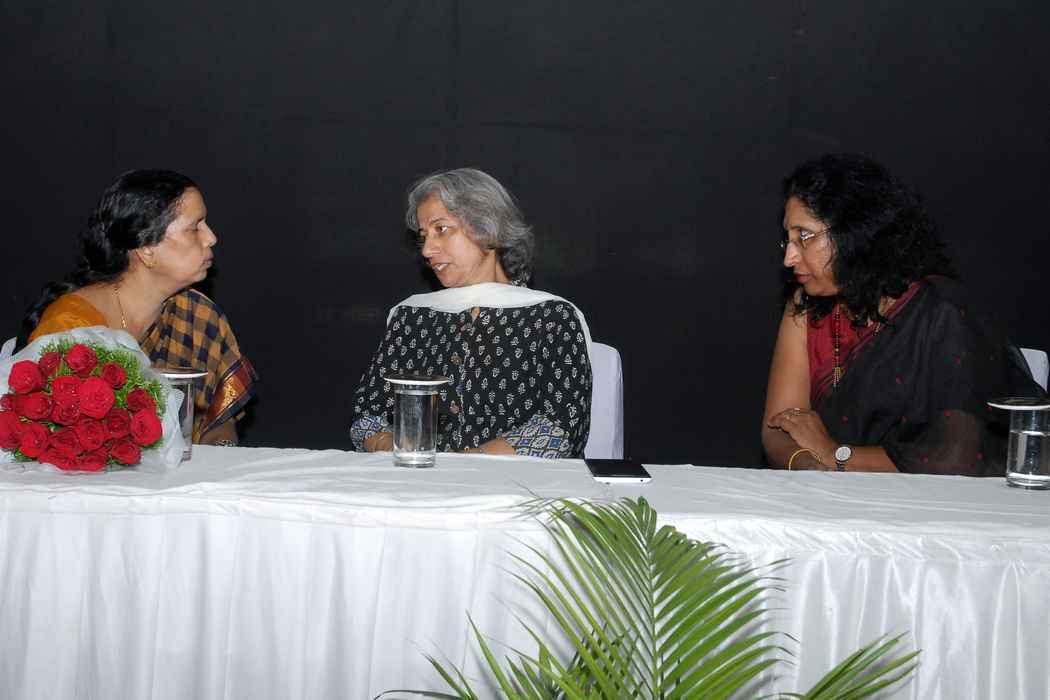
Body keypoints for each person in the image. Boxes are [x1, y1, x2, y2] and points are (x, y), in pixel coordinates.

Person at [762, 153, 1043, 476]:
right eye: (788, 240)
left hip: (933, 501)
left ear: (854, 234)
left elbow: (954, 458)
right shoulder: (807, 305)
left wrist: (834, 454)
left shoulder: (940, 312)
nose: (789, 257)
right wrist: (808, 463)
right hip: (830, 493)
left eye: (804, 237)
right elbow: (777, 428)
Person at [350, 168, 592, 457]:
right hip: (416, 478)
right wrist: (401, 449)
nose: (427, 250)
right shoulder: (412, 316)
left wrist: (464, 464)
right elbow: (367, 416)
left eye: (441, 229)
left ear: (486, 228)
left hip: (517, 482)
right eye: (423, 236)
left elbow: (558, 428)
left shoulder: (551, 317)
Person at [24, 169, 258, 445]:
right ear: (146, 249)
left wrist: (220, 454)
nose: (211, 237)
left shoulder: (199, 315)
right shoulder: (70, 327)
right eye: (195, 227)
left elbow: (219, 422)